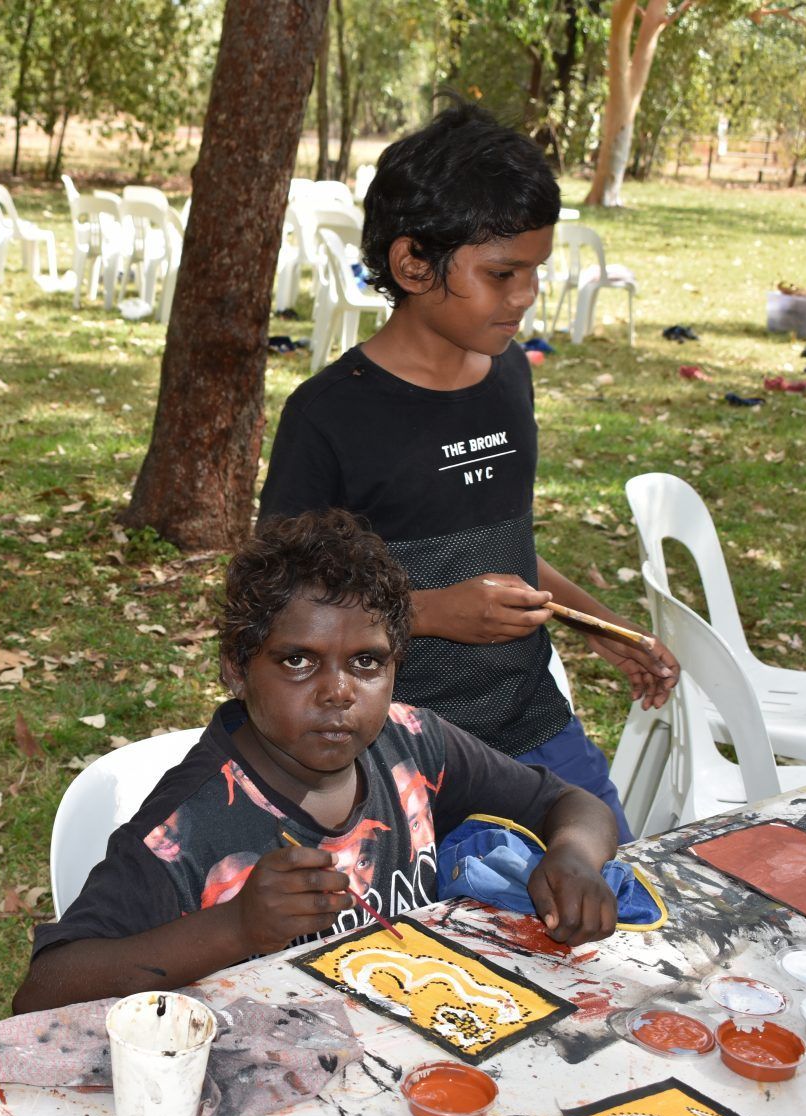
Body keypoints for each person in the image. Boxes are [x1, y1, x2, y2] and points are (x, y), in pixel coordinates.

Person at [257, 101, 676, 843]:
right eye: (502, 273)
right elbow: (280, 606)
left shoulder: (510, 376)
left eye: (535, 272)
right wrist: (436, 611)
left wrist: (599, 625)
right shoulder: (328, 418)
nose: (525, 296)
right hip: (394, 755)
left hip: (535, 732)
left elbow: (498, 552)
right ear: (413, 263)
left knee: (618, 893)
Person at [11, 510, 619, 1014]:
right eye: (298, 661)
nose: (337, 692)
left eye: (366, 663)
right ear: (236, 665)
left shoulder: (412, 743)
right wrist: (235, 928)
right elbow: (44, 991)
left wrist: (571, 856)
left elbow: (572, 804)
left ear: (396, 664)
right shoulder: (186, 826)